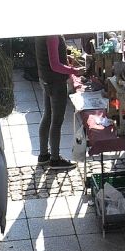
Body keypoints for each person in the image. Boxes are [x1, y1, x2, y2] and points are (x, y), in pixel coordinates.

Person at [35, 35, 82, 171]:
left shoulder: (39, 32)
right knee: (56, 121)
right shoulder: (52, 35)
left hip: (46, 80)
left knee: (47, 116)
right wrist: (73, 71)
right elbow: (55, 65)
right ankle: (55, 159)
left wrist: (66, 59)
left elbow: (51, 55)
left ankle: (43, 155)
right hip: (56, 83)